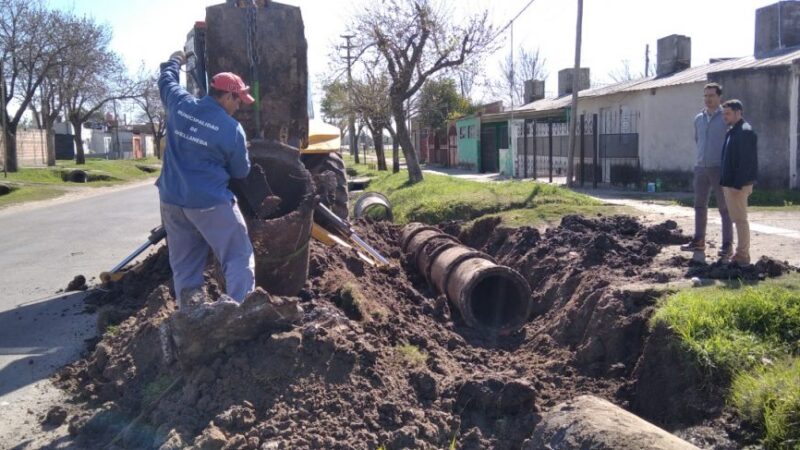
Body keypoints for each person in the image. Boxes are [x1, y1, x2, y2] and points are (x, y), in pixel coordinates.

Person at [156, 50, 257, 305]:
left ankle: (192, 317)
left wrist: (175, 62)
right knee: (238, 255)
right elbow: (241, 172)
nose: (238, 106)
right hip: (209, 202)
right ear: (227, 96)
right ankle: (239, 312)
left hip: (171, 200)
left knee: (186, 267)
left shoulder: (181, 103)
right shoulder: (232, 130)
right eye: (238, 100)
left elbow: (166, 81)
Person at [682, 82, 733, 258]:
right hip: (701, 167)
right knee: (699, 205)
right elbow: (698, 140)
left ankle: (727, 245)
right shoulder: (698, 118)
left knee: (724, 208)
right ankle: (699, 241)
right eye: (705, 95)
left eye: (711, 95)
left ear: (719, 97)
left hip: (719, 167)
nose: (708, 99)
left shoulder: (725, 117)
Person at [720, 99, 758, 266]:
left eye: (728, 113)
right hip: (731, 184)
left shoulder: (745, 131)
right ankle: (740, 253)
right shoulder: (734, 131)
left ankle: (743, 256)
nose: (725, 117)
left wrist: (737, 185)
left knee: (741, 220)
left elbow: (746, 162)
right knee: (737, 219)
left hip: (738, 185)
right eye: (724, 114)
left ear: (738, 113)